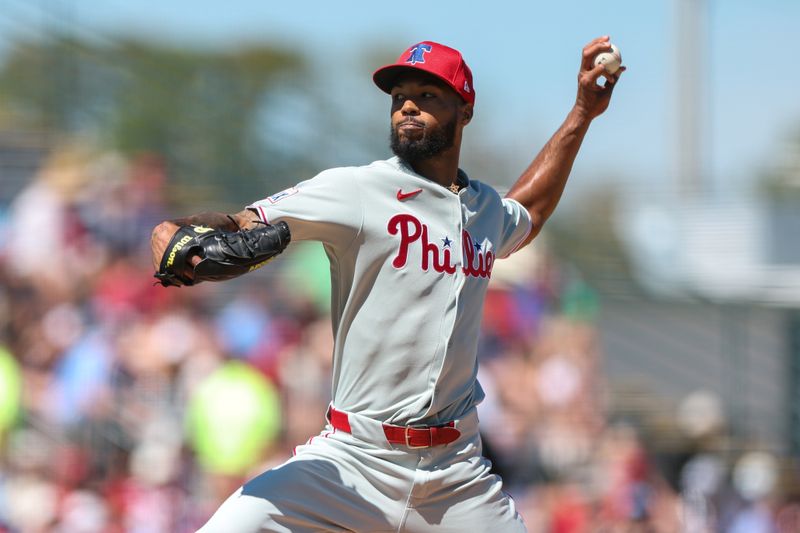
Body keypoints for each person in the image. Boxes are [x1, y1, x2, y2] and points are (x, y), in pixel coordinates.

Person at [151, 37, 624, 533]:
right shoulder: (355, 190)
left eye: (427, 94)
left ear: (465, 110)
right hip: (352, 461)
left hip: (455, 474)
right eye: (400, 97)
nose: (409, 106)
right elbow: (238, 222)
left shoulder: (484, 211)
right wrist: (170, 231)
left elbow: (532, 208)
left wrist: (582, 113)